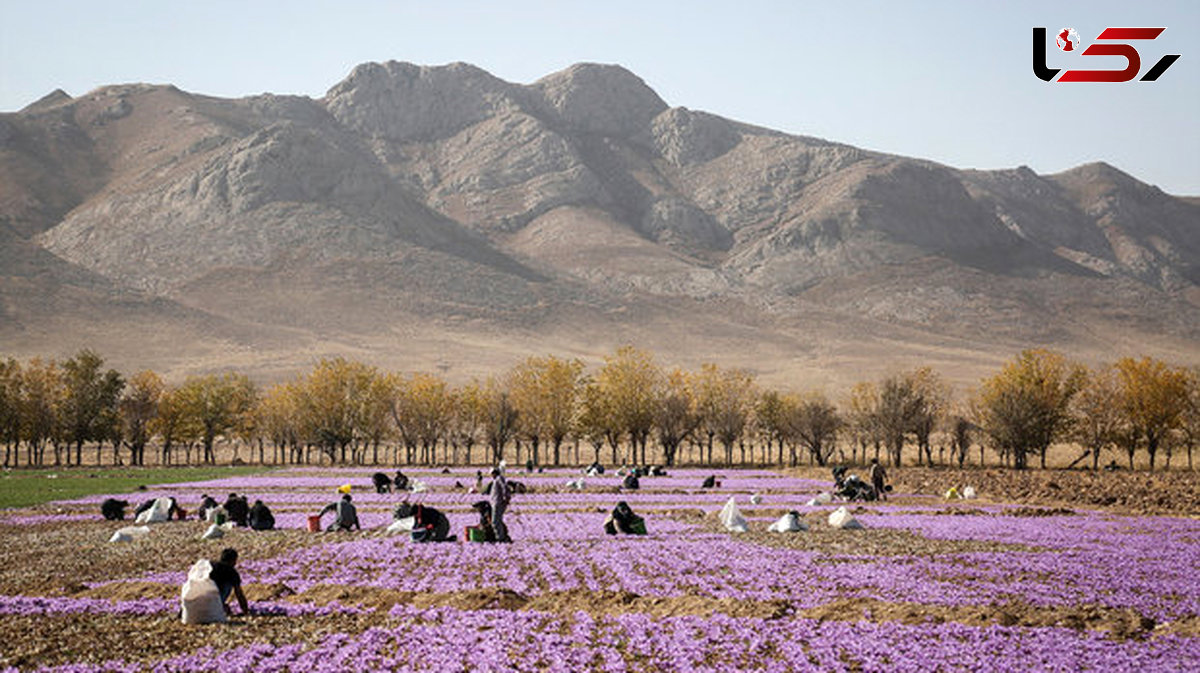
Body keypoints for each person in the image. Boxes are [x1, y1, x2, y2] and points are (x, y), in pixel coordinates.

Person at [209, 548, 250, 616]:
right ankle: (219, 605)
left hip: (197, 602)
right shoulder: (231, 571)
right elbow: (239, 594)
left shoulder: (209, 566)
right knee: (229, 584)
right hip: (214, 602)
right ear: (233, 560)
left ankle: (219, 606)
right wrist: (245, 610)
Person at [489, 466, 512, 543]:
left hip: (498, 503)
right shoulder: (497, 479)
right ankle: (500, 536)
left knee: (495, 521)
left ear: (494, 473)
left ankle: (500, 538)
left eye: (492, 474)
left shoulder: (499, 478)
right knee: (497, 520)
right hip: (495, 503)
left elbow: (504, 487)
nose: (491, 475)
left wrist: (506, 498)